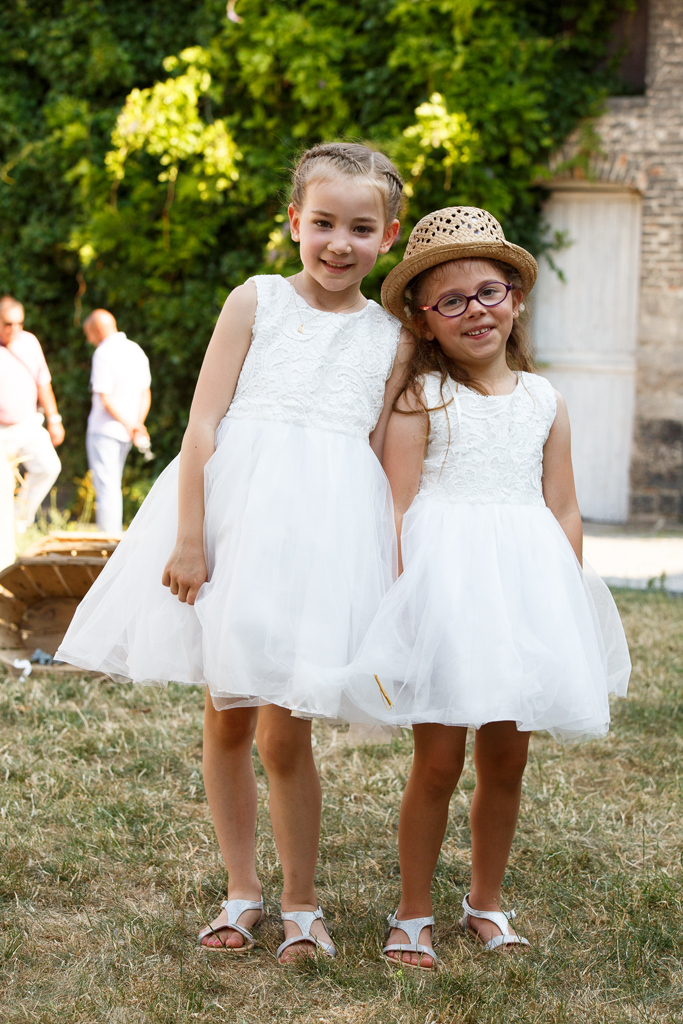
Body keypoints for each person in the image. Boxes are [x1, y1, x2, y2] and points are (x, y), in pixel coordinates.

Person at [57, 143, 412, 961]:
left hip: (322, 540)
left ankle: (300, 904)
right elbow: (203, 424)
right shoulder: (253, 301)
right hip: (233, 526)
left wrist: (388, 563)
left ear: (386, 237)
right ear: (293, 222)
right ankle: (240, 889)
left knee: (284, 731)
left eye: (360, 228)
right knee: (224, 718)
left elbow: (386, 455)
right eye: (322, 222)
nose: (337, 243)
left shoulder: (390, 336)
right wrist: (190, 536)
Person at [347, 207, 631, 969]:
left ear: (515, 297)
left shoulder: (545, 401)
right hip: (446, 598)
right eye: (451, 301)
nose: (475, 310)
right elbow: (397, 509)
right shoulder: (421, 399)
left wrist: (563, 602)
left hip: (525, 598)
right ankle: (412, 909)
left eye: (489, 291)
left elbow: (562, 507)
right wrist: (406, 611)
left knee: (507, 761)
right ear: (423, 320)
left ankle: (485, 900)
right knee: (437, 761)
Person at [83, 309, 151, 535]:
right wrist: (137, 424)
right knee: (113, 484)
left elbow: (105, 397)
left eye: (89, 334)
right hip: (128, 432)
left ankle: (109, 543)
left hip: (105, 430)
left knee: (107, 487)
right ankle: (113, 538)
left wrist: (129, 424)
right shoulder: (136, 350)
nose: (89, 340)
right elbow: (145, 392)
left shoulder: (103, 353)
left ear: (98, 330)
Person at [0, 295, 64, 533]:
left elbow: (43, 382)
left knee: (49, 467)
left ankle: (19, 520)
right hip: (1, 429)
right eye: (8, 323)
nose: (14, 328)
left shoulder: (29, 341)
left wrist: (55, 419)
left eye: (19, 323)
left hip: (28, 423)